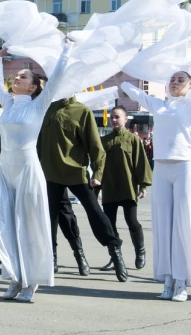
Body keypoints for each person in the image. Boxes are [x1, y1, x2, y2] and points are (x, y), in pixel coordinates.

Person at [114, 71, 191, 302]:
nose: (174, 83)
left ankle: (182, 282)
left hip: (184, 168)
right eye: (172, 79)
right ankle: (168, 280)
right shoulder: (158, 105)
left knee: (183, 224)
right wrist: (119, 76)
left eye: (180, 80)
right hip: (161, 169)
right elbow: (133, 91)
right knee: (163, 225)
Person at [0, 42, 73, 303]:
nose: (16, 77)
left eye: (23, 76)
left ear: (34, 87)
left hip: (27, 170)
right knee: (6, 224)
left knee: (29, 225)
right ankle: (15, 276)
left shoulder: (38, 105)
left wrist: (66, 51)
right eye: (16, 75)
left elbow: (57, 78)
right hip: (6, 169)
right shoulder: (8, 103)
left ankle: (32, 280)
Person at [38, 94, 128, 282]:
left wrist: (97, 174)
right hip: (50, 174)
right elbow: (38, 144)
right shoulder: (46, 108)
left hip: (76, 172)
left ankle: (115, 251)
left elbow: (96, 146)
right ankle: (53, 258)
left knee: (95, 212)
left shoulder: (82, 111)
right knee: (51, 219)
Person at [36, 74, 89, 276]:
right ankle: (52, 258)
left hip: (63, 171)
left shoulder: (58, 107)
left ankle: (79, 255)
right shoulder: (40, 107)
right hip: (43, 170)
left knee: (66, 215)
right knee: (48, 218)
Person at [97, 106, 152, 272]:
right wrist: (96, 190)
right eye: (112, 117)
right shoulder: (104, 141)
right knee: (110, 225)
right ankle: (115, 257)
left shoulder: (133, 140)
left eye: (117, 117)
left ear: (126, 119)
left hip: (128, 188)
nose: (114, 120)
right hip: (110, 189)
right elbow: (98, 166)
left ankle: (140, 252)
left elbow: (141, 163)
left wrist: (143, 186)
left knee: (132, 222)